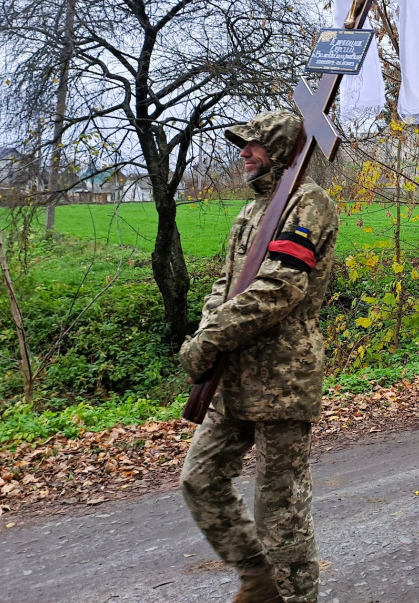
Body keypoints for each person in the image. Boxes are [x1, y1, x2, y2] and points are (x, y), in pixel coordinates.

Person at [178, 111, 339, 603]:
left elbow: (280, 286)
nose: (243, 153)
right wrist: (207, 329)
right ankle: (258, 577)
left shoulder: (308, 204)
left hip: (282, 379)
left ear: (281, 149)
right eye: (243, 145)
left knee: (280, 508)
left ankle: (296, 597)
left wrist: (212, 339)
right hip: (232, 378)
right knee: (200, 479)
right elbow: (223, 287)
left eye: (253, 144)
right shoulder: (252, 210)